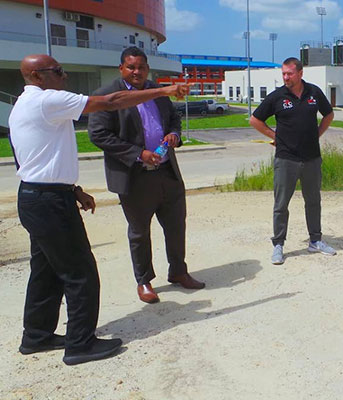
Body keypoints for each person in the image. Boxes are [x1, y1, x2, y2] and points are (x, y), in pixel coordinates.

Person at [9, 54, 188, 365]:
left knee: (46, 271)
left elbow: (31, 158)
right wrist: (164, 90)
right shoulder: (46, 100)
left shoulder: (24, 104)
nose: (64, 76)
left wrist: (72, 189)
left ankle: (36, 336)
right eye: (59, 70)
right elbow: (111, 102)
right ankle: (80, 344)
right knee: (80, 273)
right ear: (37, 75)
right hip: (48, 202)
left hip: (38, 195)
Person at [88, 47, 205, 304]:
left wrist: (174, 134)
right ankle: (144, 281)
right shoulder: (106, 96)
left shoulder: (157, 91)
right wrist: (138, 154)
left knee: (176, 226)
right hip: (135, 176)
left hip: (167, 171)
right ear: (121, 68)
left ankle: (178, 271)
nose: (136, 72)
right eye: (131, 67)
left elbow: (173, 118)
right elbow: (98, 134)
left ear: (147, 68)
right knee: (140, 232)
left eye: (141, 67)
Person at [249, 57, 335, 265]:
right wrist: (274, 136)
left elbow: (329, 114)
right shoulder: (278, 96)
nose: (286, 78)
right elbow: (255, 119)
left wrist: (317, 134)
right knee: (281, 204)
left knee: (313, 201)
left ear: (300, 73)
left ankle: (315, 240)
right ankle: (278, 244)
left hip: (312, 158)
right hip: (286, 159)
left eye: (289, 74)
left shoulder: (313, 93)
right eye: (283, 74)